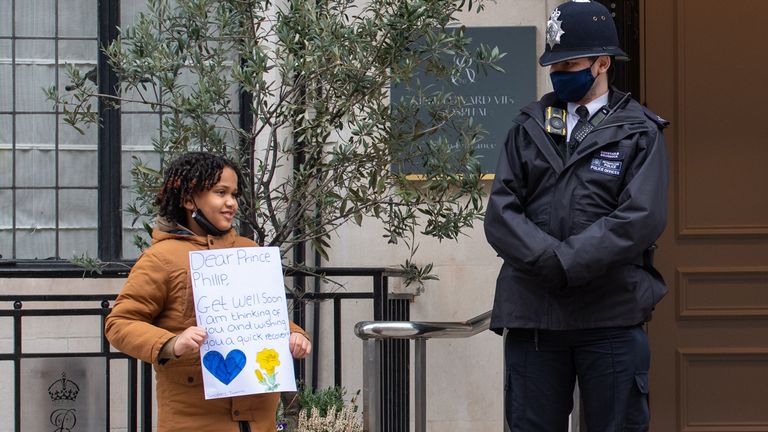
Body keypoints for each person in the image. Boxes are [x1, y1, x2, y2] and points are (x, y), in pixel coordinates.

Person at [483, 1, 669, 431]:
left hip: (610, 314)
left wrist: (567, 261)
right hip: (534, 317)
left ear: (602, 63)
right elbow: (501, 213)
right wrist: (550, 260)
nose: (560, 72)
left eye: (571, 63)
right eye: (555, 63)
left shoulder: (639, 130)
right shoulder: (526, 126)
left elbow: (639, 218)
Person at [105, 152, 312, 432]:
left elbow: (260, 316)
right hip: (194, 420)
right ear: (189, 199)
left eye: (234, 194)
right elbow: (119, 324)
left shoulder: (249, 251)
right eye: (220, 192)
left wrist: (295, 333)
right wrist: (171, 343)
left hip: (259, 418)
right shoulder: (160, 259)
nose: (231, 203)